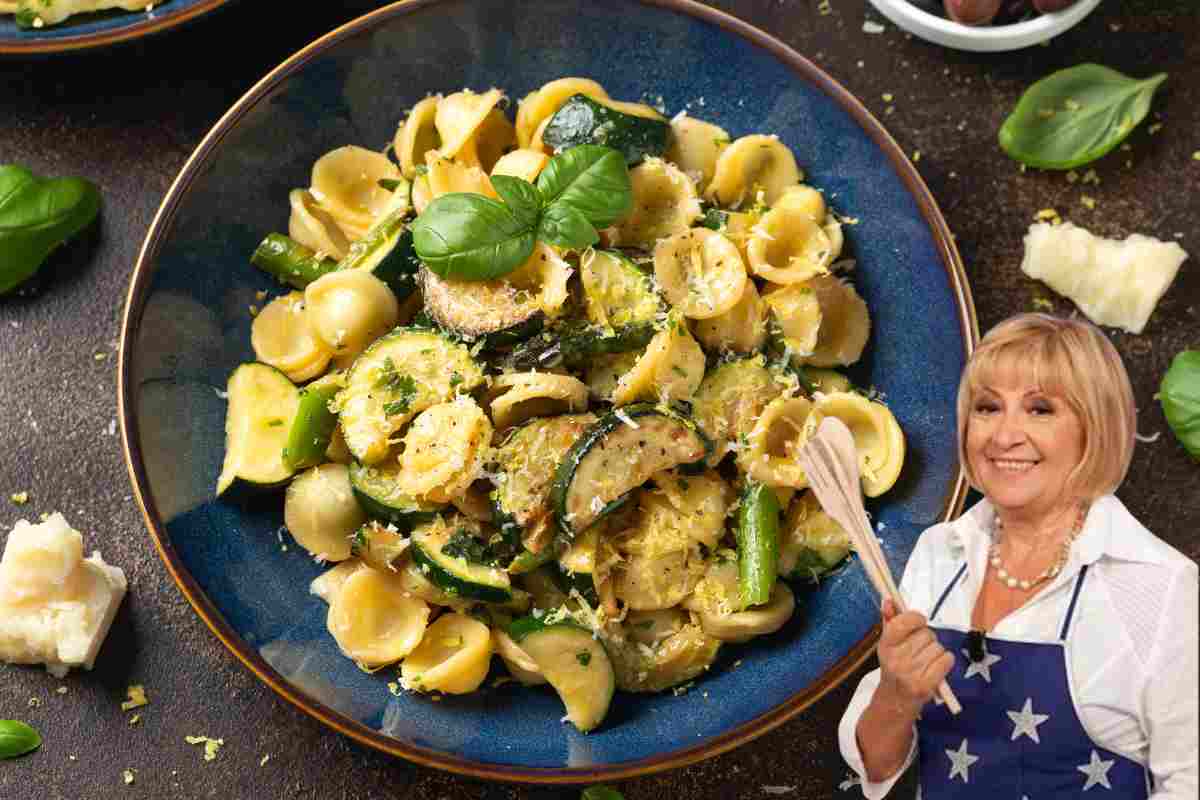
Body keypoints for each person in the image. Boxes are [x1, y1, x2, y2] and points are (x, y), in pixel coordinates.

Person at [838, 313, 1198, 798]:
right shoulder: (939, 555)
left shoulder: (1161, 586)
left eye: (1040, 410)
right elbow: (877, 768)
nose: (1004, 436)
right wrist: (897, 694)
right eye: (987, 408)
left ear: (1095, 428)